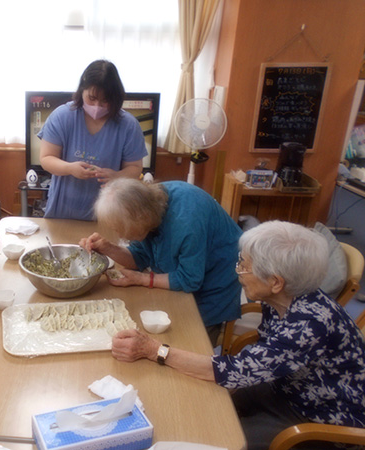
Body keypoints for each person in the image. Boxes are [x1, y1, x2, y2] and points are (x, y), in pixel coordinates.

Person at [110, 221, 365, 450]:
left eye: (244, 266)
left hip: (320, 421)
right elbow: (254, 363)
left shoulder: (309, 325)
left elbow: (234, 371)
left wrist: (155, 350)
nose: (238, 272)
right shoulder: (283, 296)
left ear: (276, 282)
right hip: (284, 387)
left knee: (217, 440)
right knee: (197, 404)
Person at [80, 178, 242, 344]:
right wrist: (108, 248)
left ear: (142, 218)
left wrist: (143, 279)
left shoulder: (186, 223)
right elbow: (139, 257)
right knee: (171, 332)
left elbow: (189, 279)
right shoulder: (144, 205)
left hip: (219, 274)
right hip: (193, 269)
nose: (121, 236)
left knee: (194, 338)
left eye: (122, 230)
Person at [38, 59, 147, 220]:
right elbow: (46, 158)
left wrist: (116, 176)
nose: (97, 106)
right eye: (92, 98)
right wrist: (70, 168)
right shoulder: (62, 116)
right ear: (82, 91)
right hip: (62, 213)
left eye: (105, 101)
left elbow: (135, 167)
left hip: (108, 214)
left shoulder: (128, 125)